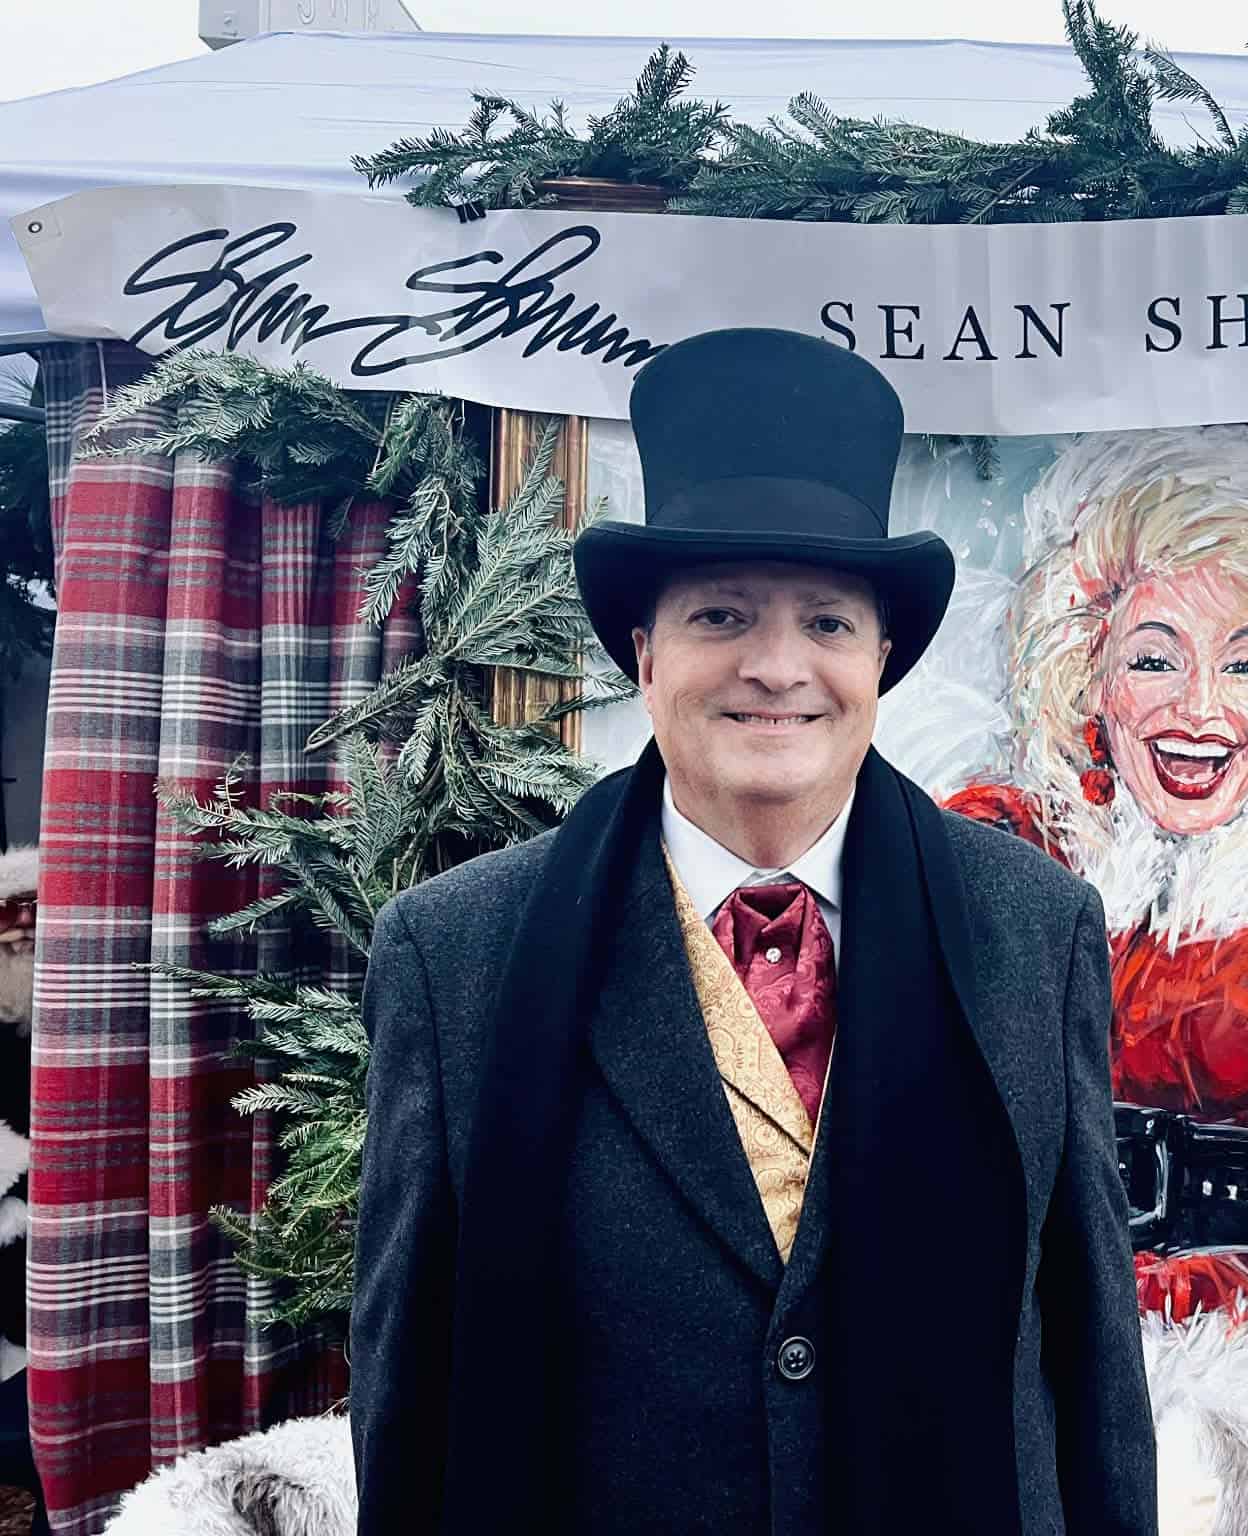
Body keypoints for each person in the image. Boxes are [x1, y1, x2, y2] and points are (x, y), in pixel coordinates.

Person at [349, 329, 1157, 1536]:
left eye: (827, 624)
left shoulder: (1033, 930)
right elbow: (408, 1393)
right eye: (722, 614)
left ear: (881, 658)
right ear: (645, 651)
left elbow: (1093, 1354)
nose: (776, 667)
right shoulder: (458, 954)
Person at [946, 425, 1248, 1328]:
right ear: (1090, 681)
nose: (1199, 708)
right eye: (1154, 658)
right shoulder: (994, 840)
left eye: (1247, 665)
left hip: (1243, 1328)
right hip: (1009, 1301)